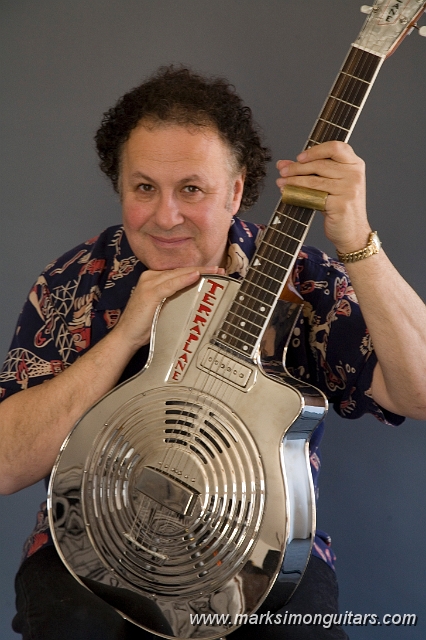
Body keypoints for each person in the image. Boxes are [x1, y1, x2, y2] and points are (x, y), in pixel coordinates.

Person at [1, 65, 426, 640]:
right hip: (93, 547)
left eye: (192, 189)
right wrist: (126, 334)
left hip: (264, 561)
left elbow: (419, 392)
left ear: (236, 189)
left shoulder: (304, 280)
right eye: (143, 187)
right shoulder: (78, 282)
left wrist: (356, 241)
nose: (165, 215)